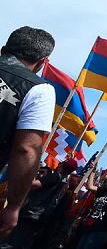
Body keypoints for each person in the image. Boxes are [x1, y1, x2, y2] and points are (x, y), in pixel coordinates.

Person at [0, 27, 56, 238]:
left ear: (3, 49)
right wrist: (14, 206)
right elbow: (26, 149)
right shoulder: (39, 90)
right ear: (42, 62)